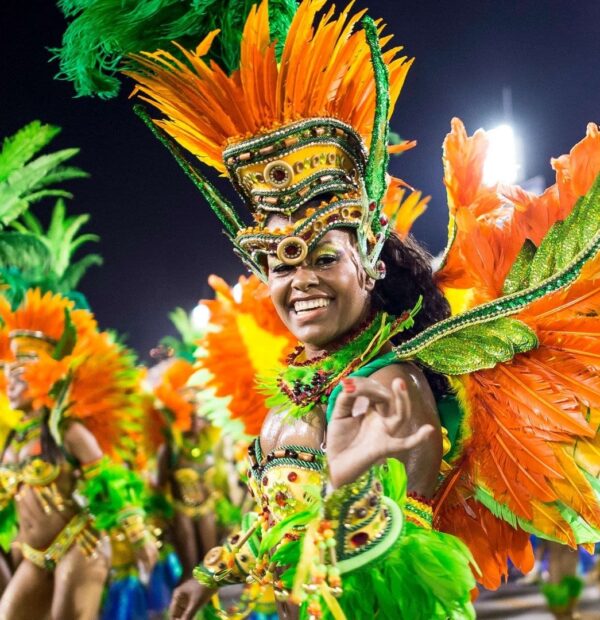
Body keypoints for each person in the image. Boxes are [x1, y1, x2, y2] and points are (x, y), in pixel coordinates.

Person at [53, 0, 600, 617]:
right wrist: (209, 572)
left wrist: (350, 494)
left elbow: (408, 584)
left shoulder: (389, 385)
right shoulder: (312, 379)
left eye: (323, 258)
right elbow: (279, 517)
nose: (301, 281)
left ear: (369, 259)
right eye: (281, 265)